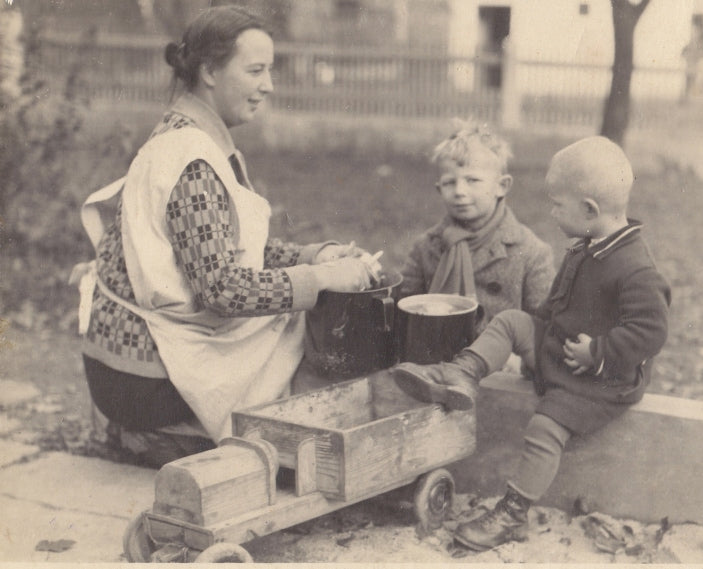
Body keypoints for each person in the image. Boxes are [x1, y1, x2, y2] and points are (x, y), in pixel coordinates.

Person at [70, 6, 375, 468]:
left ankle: (167, 434)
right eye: (255, 70)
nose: (268, 85)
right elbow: (223, 289)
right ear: (209, 71)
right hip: (142, 378)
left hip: (124, 367)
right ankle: (182, 437)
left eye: (270, 70)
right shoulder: (192, 158)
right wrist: (321, 279)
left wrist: (316, 255)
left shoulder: (188, 134)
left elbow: (221, 251)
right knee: (298, 326)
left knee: (295, 309)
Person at [393, 136, 671, 550]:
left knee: (544, 427)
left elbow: (650, 330)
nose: (552, 212)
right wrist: (535, 339)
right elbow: (553, 306)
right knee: (510, 322)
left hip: (600, 380)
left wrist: (596, 353)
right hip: (564, 349)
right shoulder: (587, 245)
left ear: (589, 210)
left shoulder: (634, 268)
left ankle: (514, 511)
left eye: (558, 205)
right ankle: (462, 375)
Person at [399, 119, 554, 336]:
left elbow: (544, 326)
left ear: (502, 186)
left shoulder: (531, 252)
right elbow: (403, 309)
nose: (460, 191)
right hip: (434, 355)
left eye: (472, 180)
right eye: (449, 183)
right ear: (439, 188)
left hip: (500, 362)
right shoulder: (426, 246)